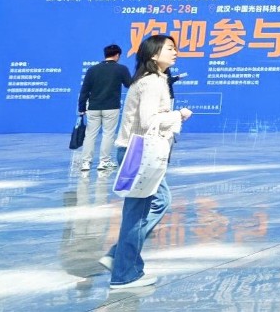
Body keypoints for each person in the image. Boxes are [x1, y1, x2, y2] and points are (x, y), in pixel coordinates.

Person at [102, 34, 193, 290]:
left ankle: (118, 256)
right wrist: (178, 115)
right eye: (170, 48)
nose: (175, 52)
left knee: (151, 204)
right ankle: (124, 273)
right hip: (140, 152)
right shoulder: (152, 82)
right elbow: (148, 120)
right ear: (154, 54)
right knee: (142, 210)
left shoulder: (153, 79)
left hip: (136, 151)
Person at [75, 44, 132, 172]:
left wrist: (82, 107)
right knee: (108, 134)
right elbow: (129, 84)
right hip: (111, 107)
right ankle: (104, 162)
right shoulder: (121, 69)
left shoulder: (92, 70)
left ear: (105, 54)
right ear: (117, 55)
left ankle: (86, 163)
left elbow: (84, 90)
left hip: (93, 107)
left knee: (90, 135)